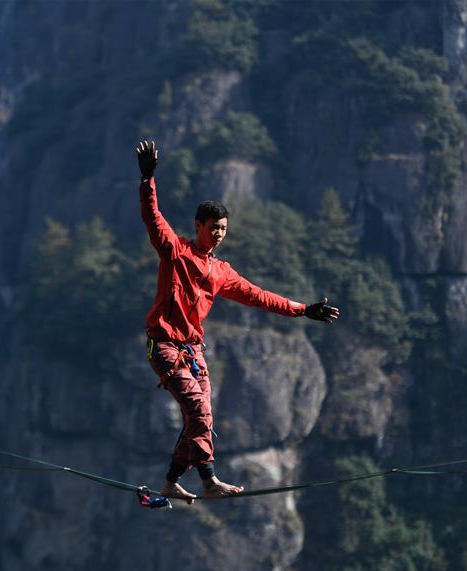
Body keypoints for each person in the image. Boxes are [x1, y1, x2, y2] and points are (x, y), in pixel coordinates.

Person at [135, 139, 340, 502]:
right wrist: (148, 179)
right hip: (164, 346)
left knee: (202, 420)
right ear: (199, 225)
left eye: (224, 229)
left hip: (194, 352)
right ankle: (210, 480)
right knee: (197, 410)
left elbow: (258, 295)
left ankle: (170, 481)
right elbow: (153, 219)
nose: (218, 234)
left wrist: (303, 309)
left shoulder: (221, 272)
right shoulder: (175, 251)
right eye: (214, 226)